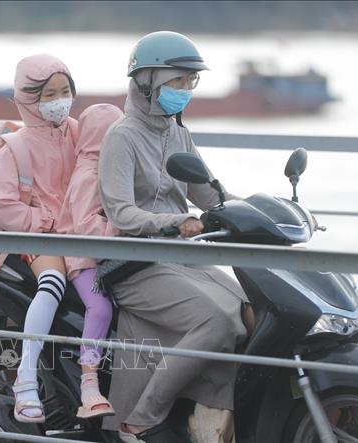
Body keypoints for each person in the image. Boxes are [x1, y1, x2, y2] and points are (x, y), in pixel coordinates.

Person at [97, 31, 251, 443]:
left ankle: (212, 411)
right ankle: (142, 418)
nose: (186, 89)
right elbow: (120, 212)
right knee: (216, 321)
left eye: (190, 81)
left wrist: (264, 209)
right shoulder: (122, 136)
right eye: (177, 80)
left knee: (250, 312)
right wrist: (173, 221)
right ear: (147, 82)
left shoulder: (178, 133)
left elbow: (211, 195)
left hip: (182, 257)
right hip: (136, 263)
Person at [0, 53, 78, 423]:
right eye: (48, 94)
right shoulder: (15, 147)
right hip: (40, 238)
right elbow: (2, 206)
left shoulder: (79, 132)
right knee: (53, 282)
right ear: (27, 99)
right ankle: (25, 380)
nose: (60, 101)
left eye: (65, 91)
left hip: (84, 234)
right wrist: (46, 220)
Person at [57, 103, 124, 419]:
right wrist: (122, 228)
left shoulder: (108, 168)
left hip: (105, 255)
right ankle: (89, 382)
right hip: (83, 257)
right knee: (101, 308)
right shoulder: (88, 173)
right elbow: (86, 226)